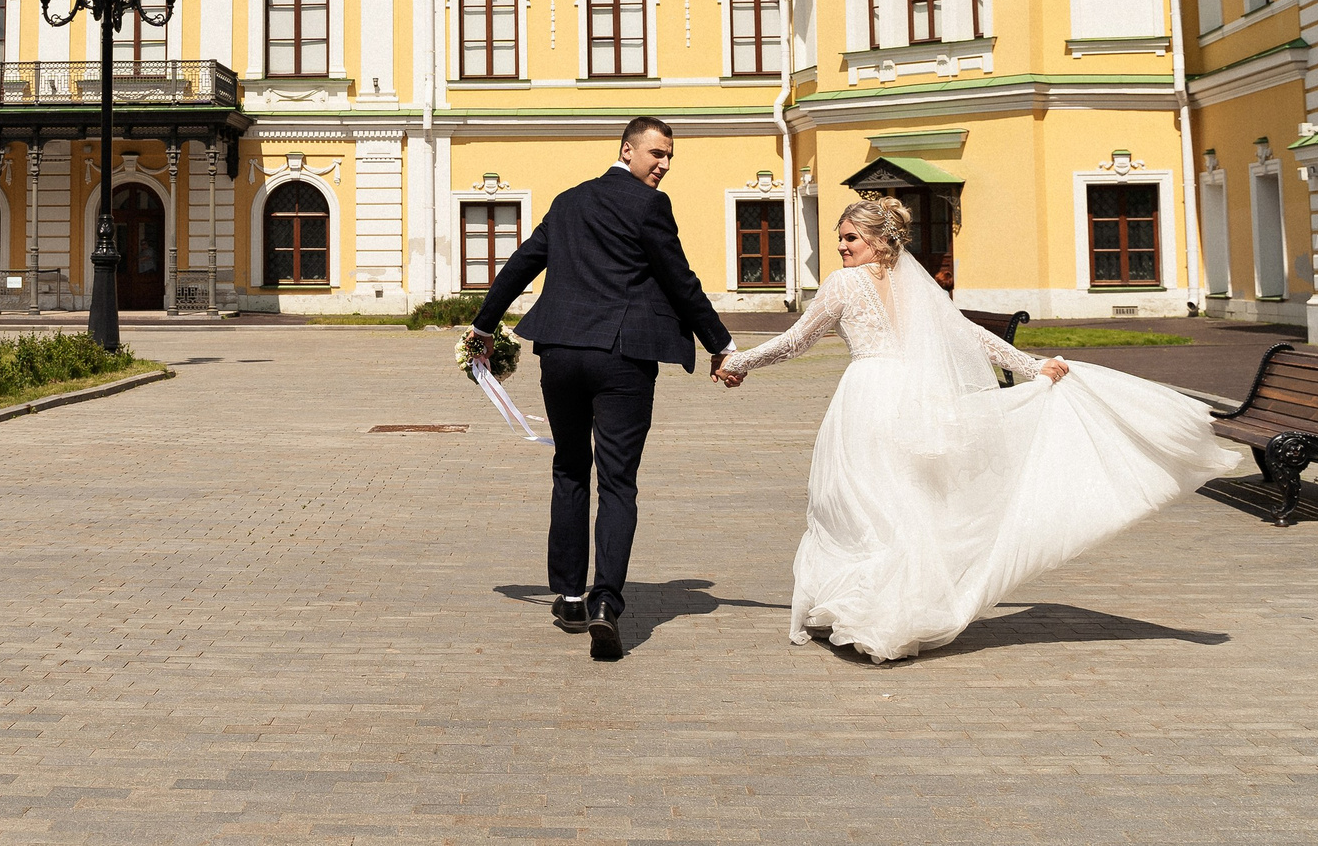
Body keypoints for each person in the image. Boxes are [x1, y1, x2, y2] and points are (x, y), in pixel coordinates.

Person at [714, 196, 1243, 662]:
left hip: (870, 401)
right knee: (905, 505)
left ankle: (878, 614)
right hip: (917, 402)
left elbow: (796, 340)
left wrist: (739, 362)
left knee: (864, 506)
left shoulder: (844, 284)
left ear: (879, 240)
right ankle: (893, 614)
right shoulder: (916, 286)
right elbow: (969, 335)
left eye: (851, 238)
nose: (842, 247)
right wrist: (1029, 365)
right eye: (841, 239)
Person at [463, 116, 732, 661]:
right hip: (622, 357)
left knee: (568, 467)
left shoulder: (569, 201)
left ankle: (568, 597)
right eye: (656, 153)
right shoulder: (649, 206)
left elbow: (522, 262)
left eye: (669, 157)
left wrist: (484, 327)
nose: (664, 165)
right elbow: (680, 280)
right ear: (627, 149)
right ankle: (605, 600)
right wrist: (720, 345)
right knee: (618, 480)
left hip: (560, 352)